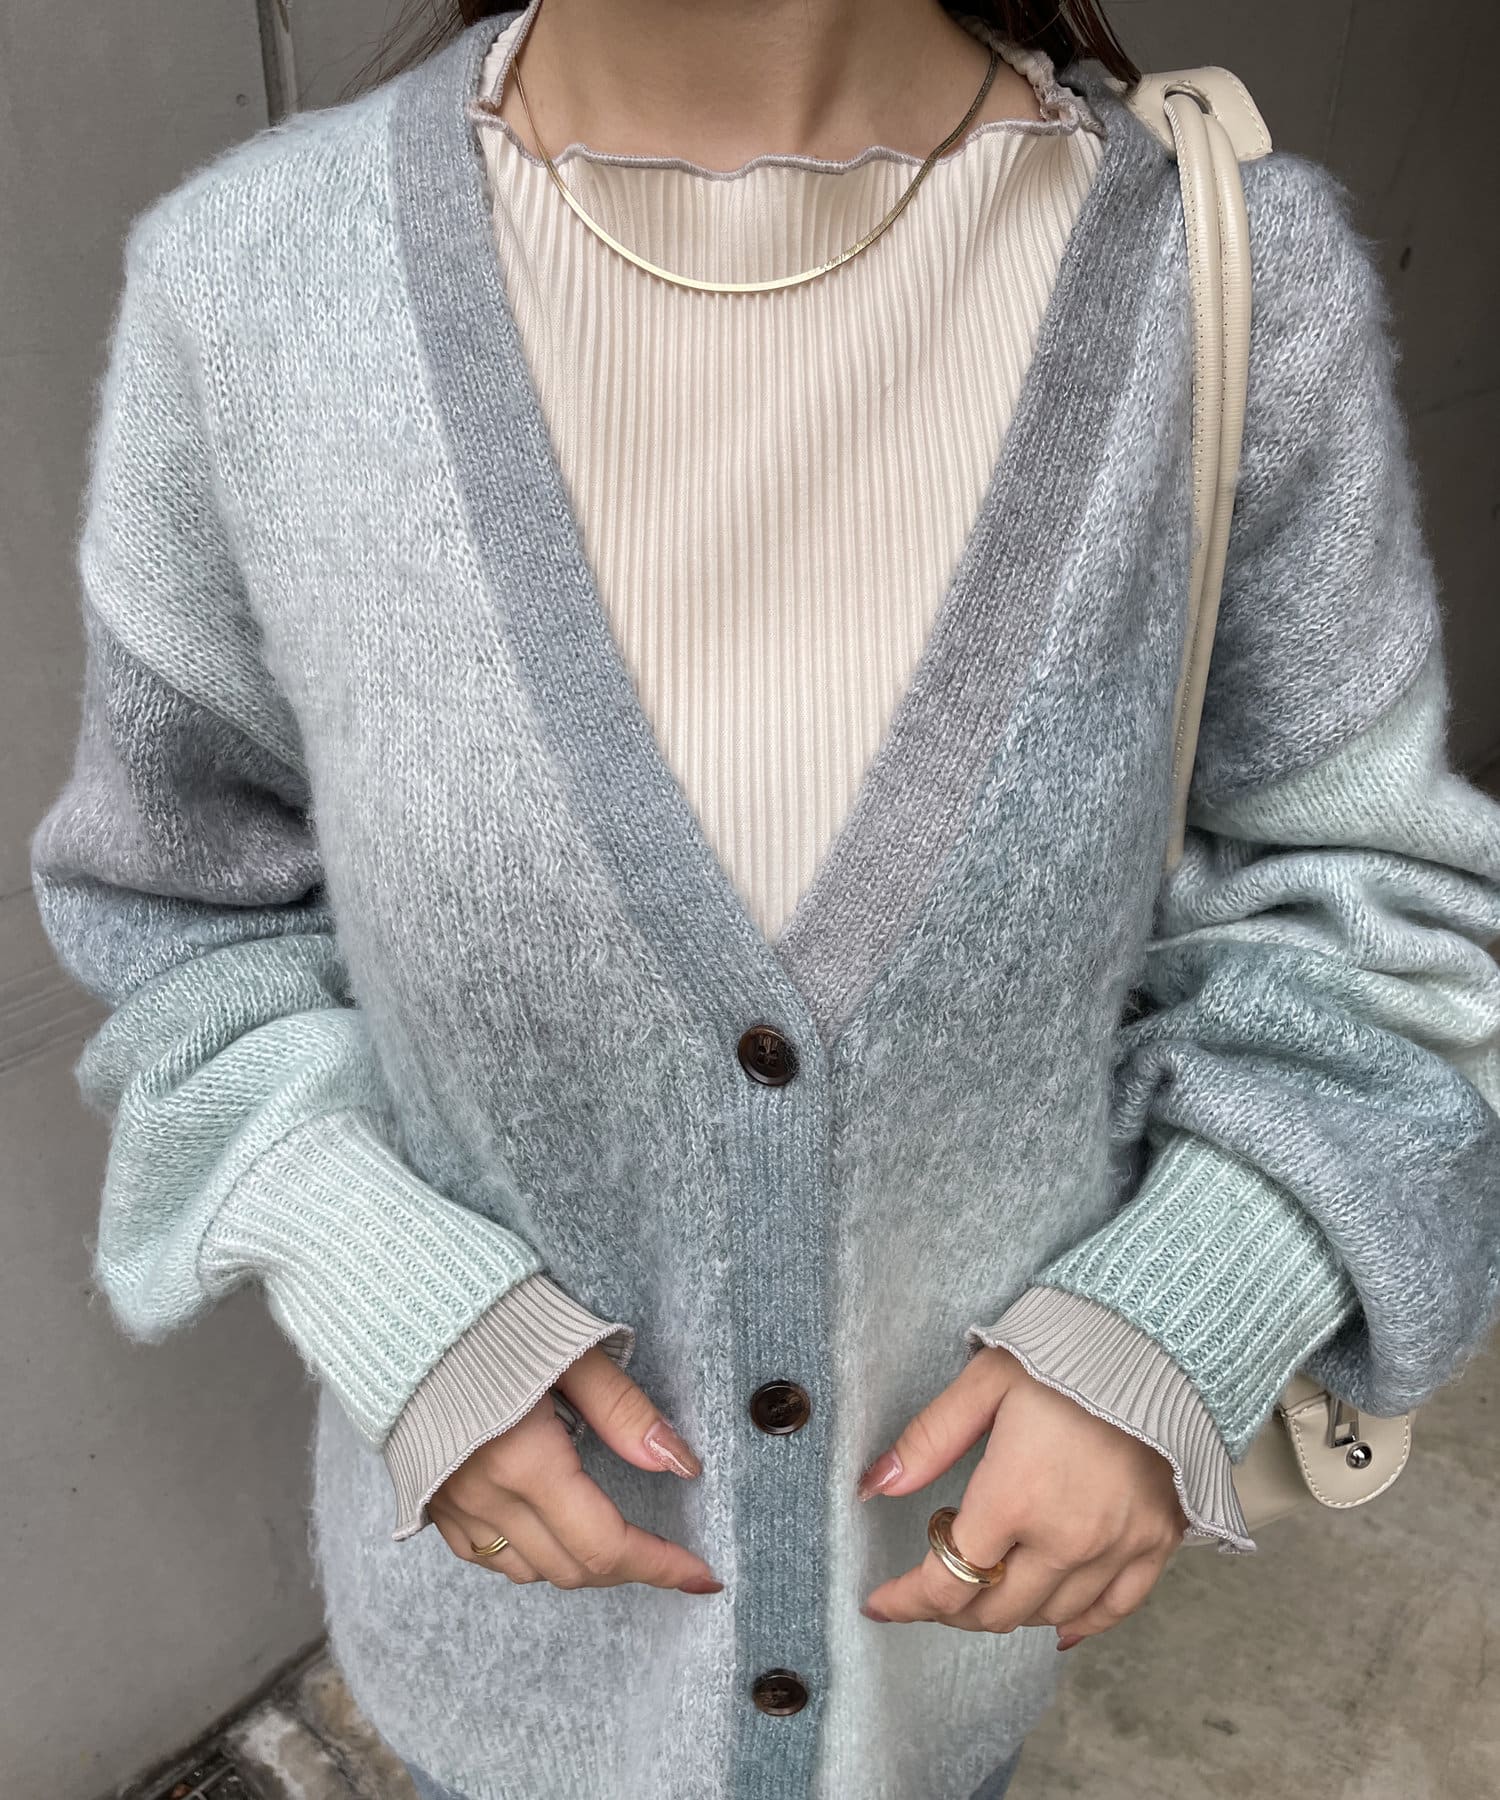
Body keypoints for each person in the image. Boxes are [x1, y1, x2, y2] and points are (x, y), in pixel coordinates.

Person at [28, 0, 1500, 1796]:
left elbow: (1377, 907)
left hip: (941, 1675)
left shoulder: (1230, 287)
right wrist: (387, 1284)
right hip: (503, 1674)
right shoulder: (249, 288)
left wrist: (1187, 1309)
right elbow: (182, 919)